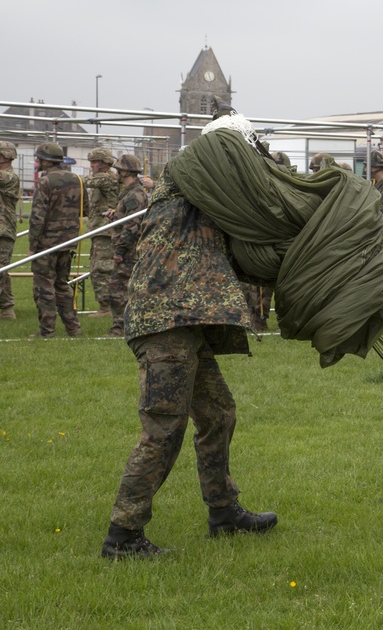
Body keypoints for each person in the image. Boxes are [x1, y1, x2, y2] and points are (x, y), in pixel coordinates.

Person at [101, 167, 276, 560]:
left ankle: (223, 511)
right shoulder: (183, 196)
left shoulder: (201, 208)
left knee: (217, 413)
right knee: (163, 429)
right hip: (165, 323)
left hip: (187, 324)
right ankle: (123, 536)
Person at [27, 142, 83, 338]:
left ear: (46, 160)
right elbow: (86, 209)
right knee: (62, 284)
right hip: (68, 241)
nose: (36, 162)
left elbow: (37, 216)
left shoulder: (45, 182)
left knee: (44, 285)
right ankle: (73, 328)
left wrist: (33, 246)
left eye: (39, 158)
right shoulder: (77, 179)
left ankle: (47, 331)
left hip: (47, 243)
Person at [106, 155, 149, 337]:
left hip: (129, 251)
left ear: (125, 172)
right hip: (130, 249)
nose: (116, 172)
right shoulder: (131, 193)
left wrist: (120, 251)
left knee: (118, 289)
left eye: (118, 170)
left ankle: (121, 326)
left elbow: (133, 226)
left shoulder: (134, 195)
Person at [84, 147, 119, 318]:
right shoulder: (105, 178)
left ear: (105, 163)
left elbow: (86, 182)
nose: (91, 165)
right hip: (100, 229)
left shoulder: (106, 178)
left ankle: (106, 307)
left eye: (95, 162)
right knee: (97, 267)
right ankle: (106, 306)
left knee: (101, 268)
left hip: (106, 231)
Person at [0, 141, 19, 320]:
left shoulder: (10, 176)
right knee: (2, 270)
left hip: (3, 230)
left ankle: (7, 308)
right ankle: (7, 308)